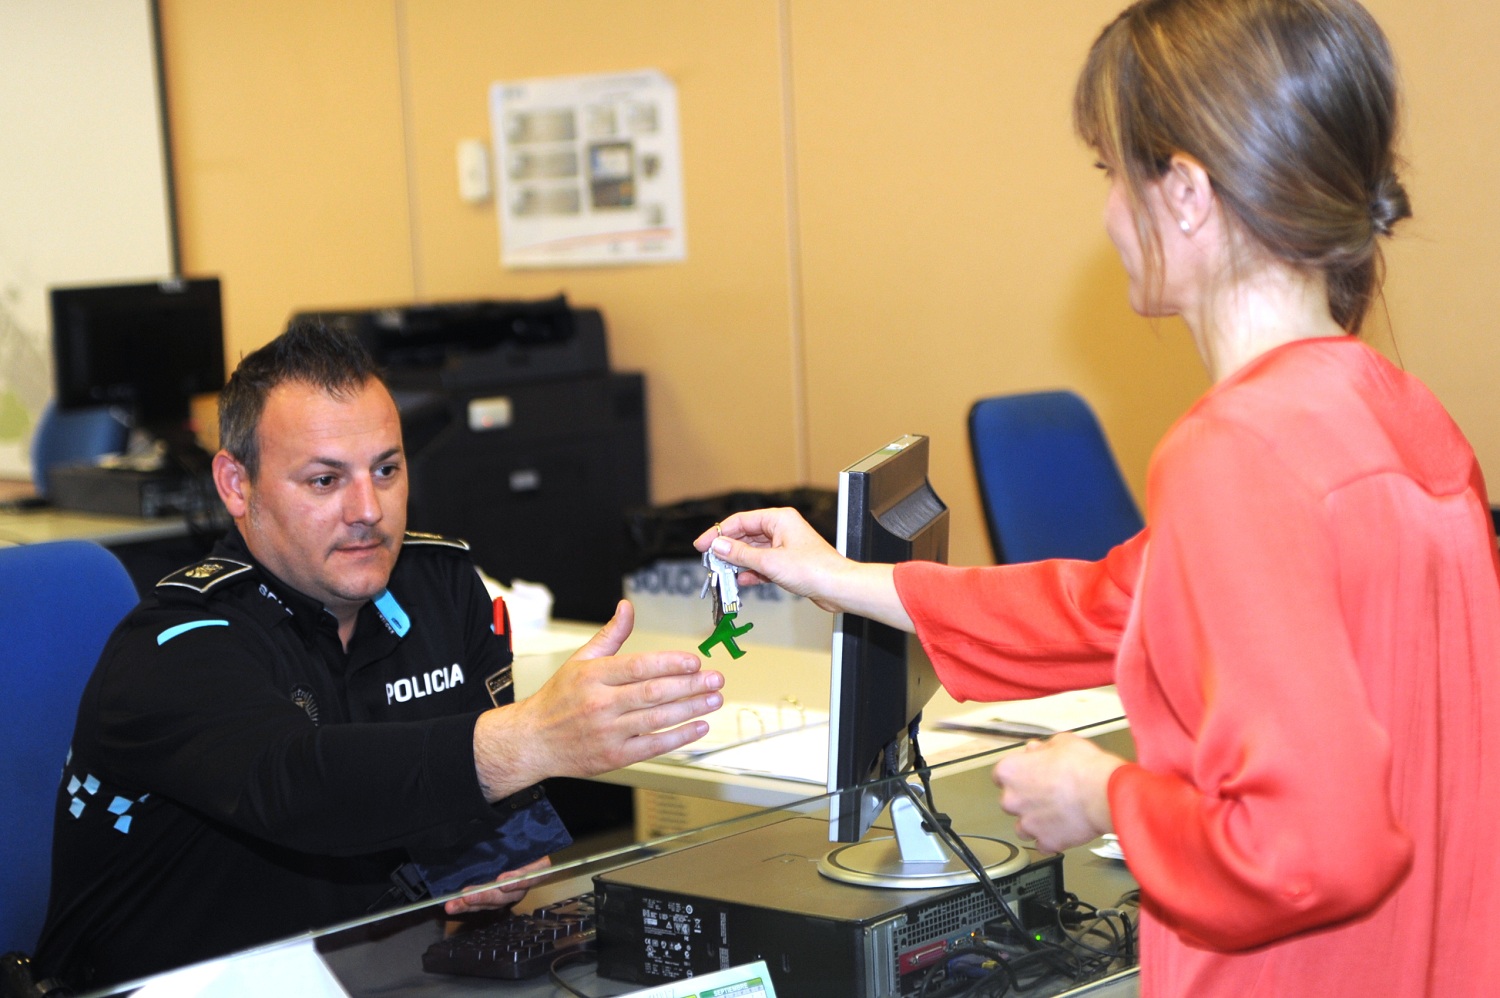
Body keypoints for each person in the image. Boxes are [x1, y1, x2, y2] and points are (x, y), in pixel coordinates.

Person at [696, 1, 1500, 995]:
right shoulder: (1405, 419)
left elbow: (1315, 840)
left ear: (1189, 193)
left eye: (1112, 172)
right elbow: (1117, 607)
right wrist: (839, 576)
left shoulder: (1238, 452)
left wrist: (1103, 793)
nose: (1111, 210)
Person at [34, 322, 724, 990]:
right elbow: (300, 787)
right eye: (325, 481)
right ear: (236, 485)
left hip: (384, 973)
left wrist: (491, 871)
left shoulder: (440, 584)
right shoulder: (176, 646)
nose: (368, 509)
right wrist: (535, 738)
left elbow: (488, 839)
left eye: (386, 470)